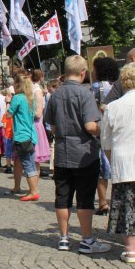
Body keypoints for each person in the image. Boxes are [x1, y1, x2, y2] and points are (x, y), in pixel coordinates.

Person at [44, 55, 111, 254]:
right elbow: (90, 126)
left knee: (62, 197)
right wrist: (103, 128)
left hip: (62, 153)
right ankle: (87, 239)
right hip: (84, 154)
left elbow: (53, 128)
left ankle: (63, 238)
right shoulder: (85, 94)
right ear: (83, 73)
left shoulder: (55, 95)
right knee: (84, 198)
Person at [101, 63, 135, 263]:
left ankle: (131, 249)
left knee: (127, 205)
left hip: (123, 161)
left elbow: (105, 141)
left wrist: (112, 158)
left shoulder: (113, 107)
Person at [93, 57, 120, 216]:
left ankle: (103, 203)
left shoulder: (96, 88)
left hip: (101, 131)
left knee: (102, 169)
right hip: (118, 131)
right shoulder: (119, 86)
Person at [6, 74, 39, 201]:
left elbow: (8, 115)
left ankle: (33, 191)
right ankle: (30, 188)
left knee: (27, 164)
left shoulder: (18, 98)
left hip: (21, 136)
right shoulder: (30, 98)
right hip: (31, 134)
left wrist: (8, 102)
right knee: (30, 162)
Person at [30, 70, 51, 178]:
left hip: (34, 123)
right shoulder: (36, 89)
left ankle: (34, 186)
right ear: (41, 77)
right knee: (33, 157)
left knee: (34, 158)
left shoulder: (34, 89)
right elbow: (38, 113)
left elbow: (37, 113)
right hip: (34, 124)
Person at [1, 89, 14, 177]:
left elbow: (4, 126)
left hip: (7, 134)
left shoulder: (5, 115)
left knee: (8, 152)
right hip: (15, 134)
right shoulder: (15, 114)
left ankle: (9, 167)